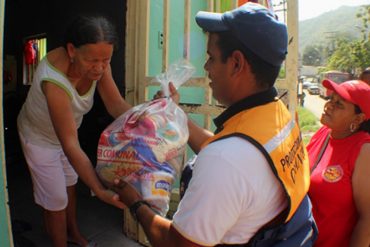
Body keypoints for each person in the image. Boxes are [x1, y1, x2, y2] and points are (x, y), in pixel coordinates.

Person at [113, 3, 317, 246]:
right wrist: (176, 113)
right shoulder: (278, 115)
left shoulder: (225, 161)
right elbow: (227, 151)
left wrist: (136, 203)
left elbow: (176, 243)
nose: (206, 67)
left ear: (237, 63)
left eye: (211, 57)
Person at [17, 15, 131, 247]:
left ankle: (73, 233)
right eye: (93, 61)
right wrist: (98, 189)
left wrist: (152, 117)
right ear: (71, 50)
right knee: (56, 198)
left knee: (70, 182)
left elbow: (116, 105)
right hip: (38, 139)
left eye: (106, 60)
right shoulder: (55, 81)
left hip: (67, 136)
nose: (99, 67)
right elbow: (70, 145)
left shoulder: (98, 61)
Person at [307, 79, 370, 247]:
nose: (329, 106)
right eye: (331, 99)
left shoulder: (363, 151)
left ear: (358, 119)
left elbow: (368, 220)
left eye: (339, 105)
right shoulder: (324, 133)